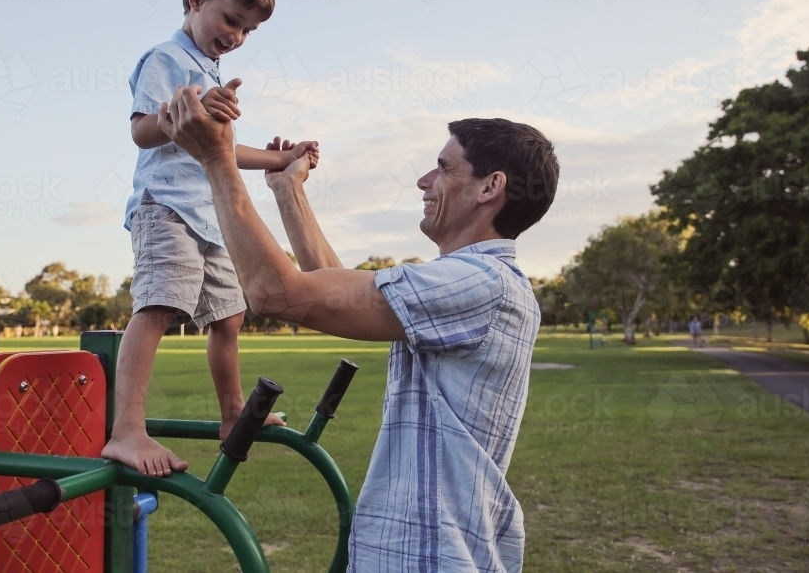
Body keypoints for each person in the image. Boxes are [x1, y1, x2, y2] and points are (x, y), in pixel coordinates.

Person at [160, 85, 560, 572]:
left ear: (489, 187)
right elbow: (333, 292)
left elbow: (277, 294)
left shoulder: (479, 283)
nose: (424, 180)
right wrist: (289, 190)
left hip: (429, 558)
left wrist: (216, 160)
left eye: (444, 167)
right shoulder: (476, 281)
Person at [101, 0, 318, 476]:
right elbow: (141, 132)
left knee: (230, 316)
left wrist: (281, 157)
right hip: (167, 209)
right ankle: (127, 431)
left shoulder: (211, 70)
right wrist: (189, 109)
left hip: (210, 214)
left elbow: (223, 151)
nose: (237, 36)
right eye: (231, 19)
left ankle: (231, 415)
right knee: (159, 307)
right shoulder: (167, 60)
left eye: (248, 30)